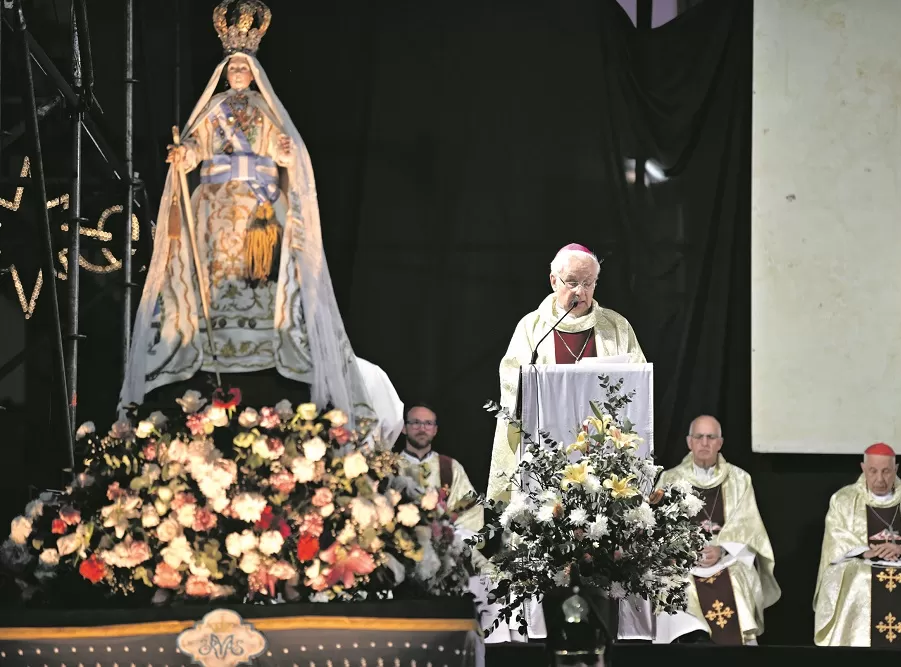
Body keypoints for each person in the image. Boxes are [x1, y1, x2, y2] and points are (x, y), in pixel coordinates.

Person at [119, 0, 396, 438]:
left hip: (258, 204)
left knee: (257, 268)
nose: (238, 78)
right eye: (232, 72)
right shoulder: (212, 112)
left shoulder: (266, 113)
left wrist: (286, 154)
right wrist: (184, 154)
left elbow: (287, 151)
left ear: (254, 72)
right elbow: (195, 148)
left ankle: (260, 332)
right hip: (214, 205)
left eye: (244, 71)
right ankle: (212, 329)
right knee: (214, 268)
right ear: (225, 73)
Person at [486, 243, 646, 502]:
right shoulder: (532, 328)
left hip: (602, 448)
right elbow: (511, 382)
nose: (580, 292)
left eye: (588, 283)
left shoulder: (617, 327)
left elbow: (638, 383)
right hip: (546, 445)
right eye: (571, 282)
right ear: (553, 281)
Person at [649, 415, 779, 646]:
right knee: (673, 583)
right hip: (683, 562)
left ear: (720, 443)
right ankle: (690, 645)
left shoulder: (740, 479)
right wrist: (686, 552)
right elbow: (657, 528)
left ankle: (738, 653)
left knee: (740, 578)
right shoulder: (670, 479)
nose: (705, 443)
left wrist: (722, 550)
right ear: (689, 442)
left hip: (727, 558)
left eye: (711, 437)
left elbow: (748, 527)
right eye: (699, 437)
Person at [813, 443, 901, 647]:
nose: (880, 479)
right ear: (863, 468)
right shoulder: (844, 499)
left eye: (886, 471)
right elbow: (836, 538)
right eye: (873, 471)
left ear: (896, 469)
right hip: (860, 564)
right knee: (858, 580)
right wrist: (865, 551)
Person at [396, 403, 483, 532]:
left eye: (428, 423)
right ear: (403, 428)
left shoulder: (450, 467)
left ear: (435, 430)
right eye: (415, 422)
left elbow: (471, 509)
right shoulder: (391, 466)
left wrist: (449, 538)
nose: (422, 428)